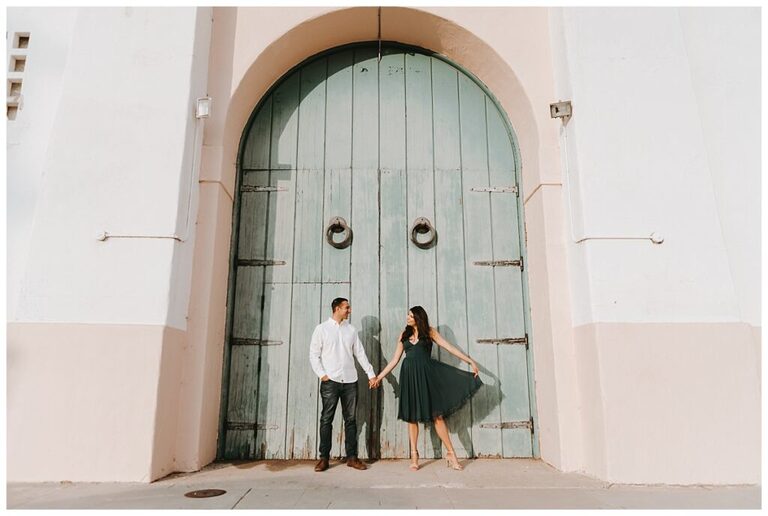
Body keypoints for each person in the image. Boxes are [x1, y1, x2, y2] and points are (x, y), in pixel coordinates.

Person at [371, 306, 481, 471]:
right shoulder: (404, 334)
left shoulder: (430, 332)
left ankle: (451, 453)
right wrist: (378, 377)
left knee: (437, 416)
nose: (407, 318)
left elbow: (449, 347)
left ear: (418, 317)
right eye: (407, 315)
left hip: (426, 377)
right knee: (411, 417)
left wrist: (470, 361)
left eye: (410, 316)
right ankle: (414, 455)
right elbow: (394, 360)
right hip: (409, 377)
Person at [309, 297, 378, 472]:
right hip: (330, 381)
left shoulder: (351, 330)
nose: (349, 310)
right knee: (326, 419)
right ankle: (324, 458)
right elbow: (313, 354)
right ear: (337, 309)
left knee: (351, 420)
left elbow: (360, 354)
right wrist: (322, 375)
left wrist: (370, 374)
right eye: (347, 308)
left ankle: (352, 458)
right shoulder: (321, 329)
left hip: (350, 381)